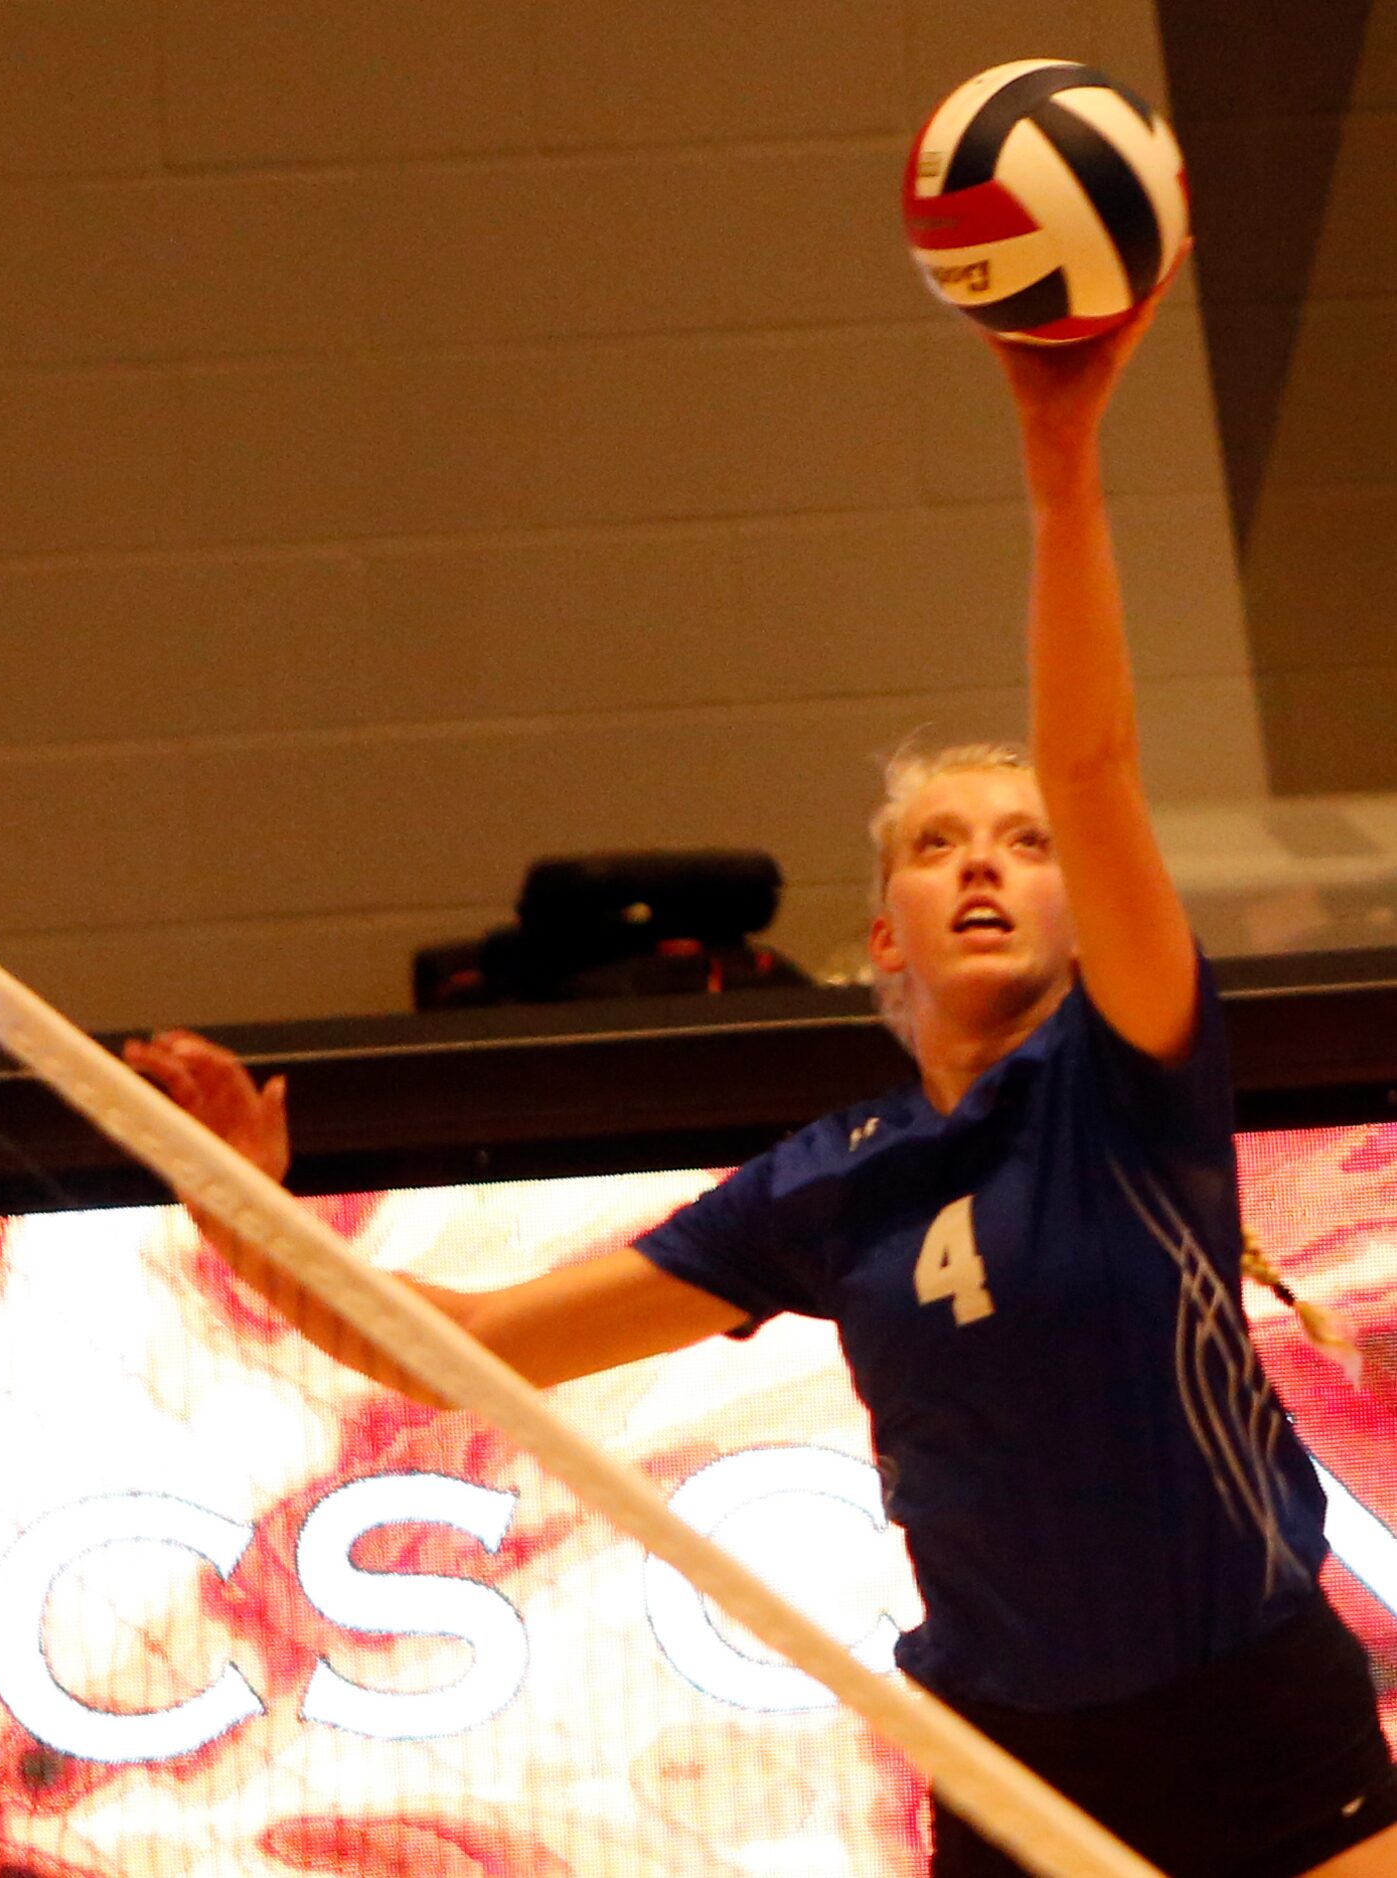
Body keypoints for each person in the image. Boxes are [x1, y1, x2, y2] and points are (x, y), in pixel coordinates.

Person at [130, 280, 1397, 1877]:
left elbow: (1095, 763)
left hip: (1247, 1711)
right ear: (886, 930)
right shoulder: (828, 1180)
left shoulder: (1128, 1072)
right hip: (1019, 1763)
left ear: (1086, 905)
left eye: (1023, 845)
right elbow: (460, 1356)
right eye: (940, 847)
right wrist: (243, 1216)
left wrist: (1057, 439)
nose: (986, 866)